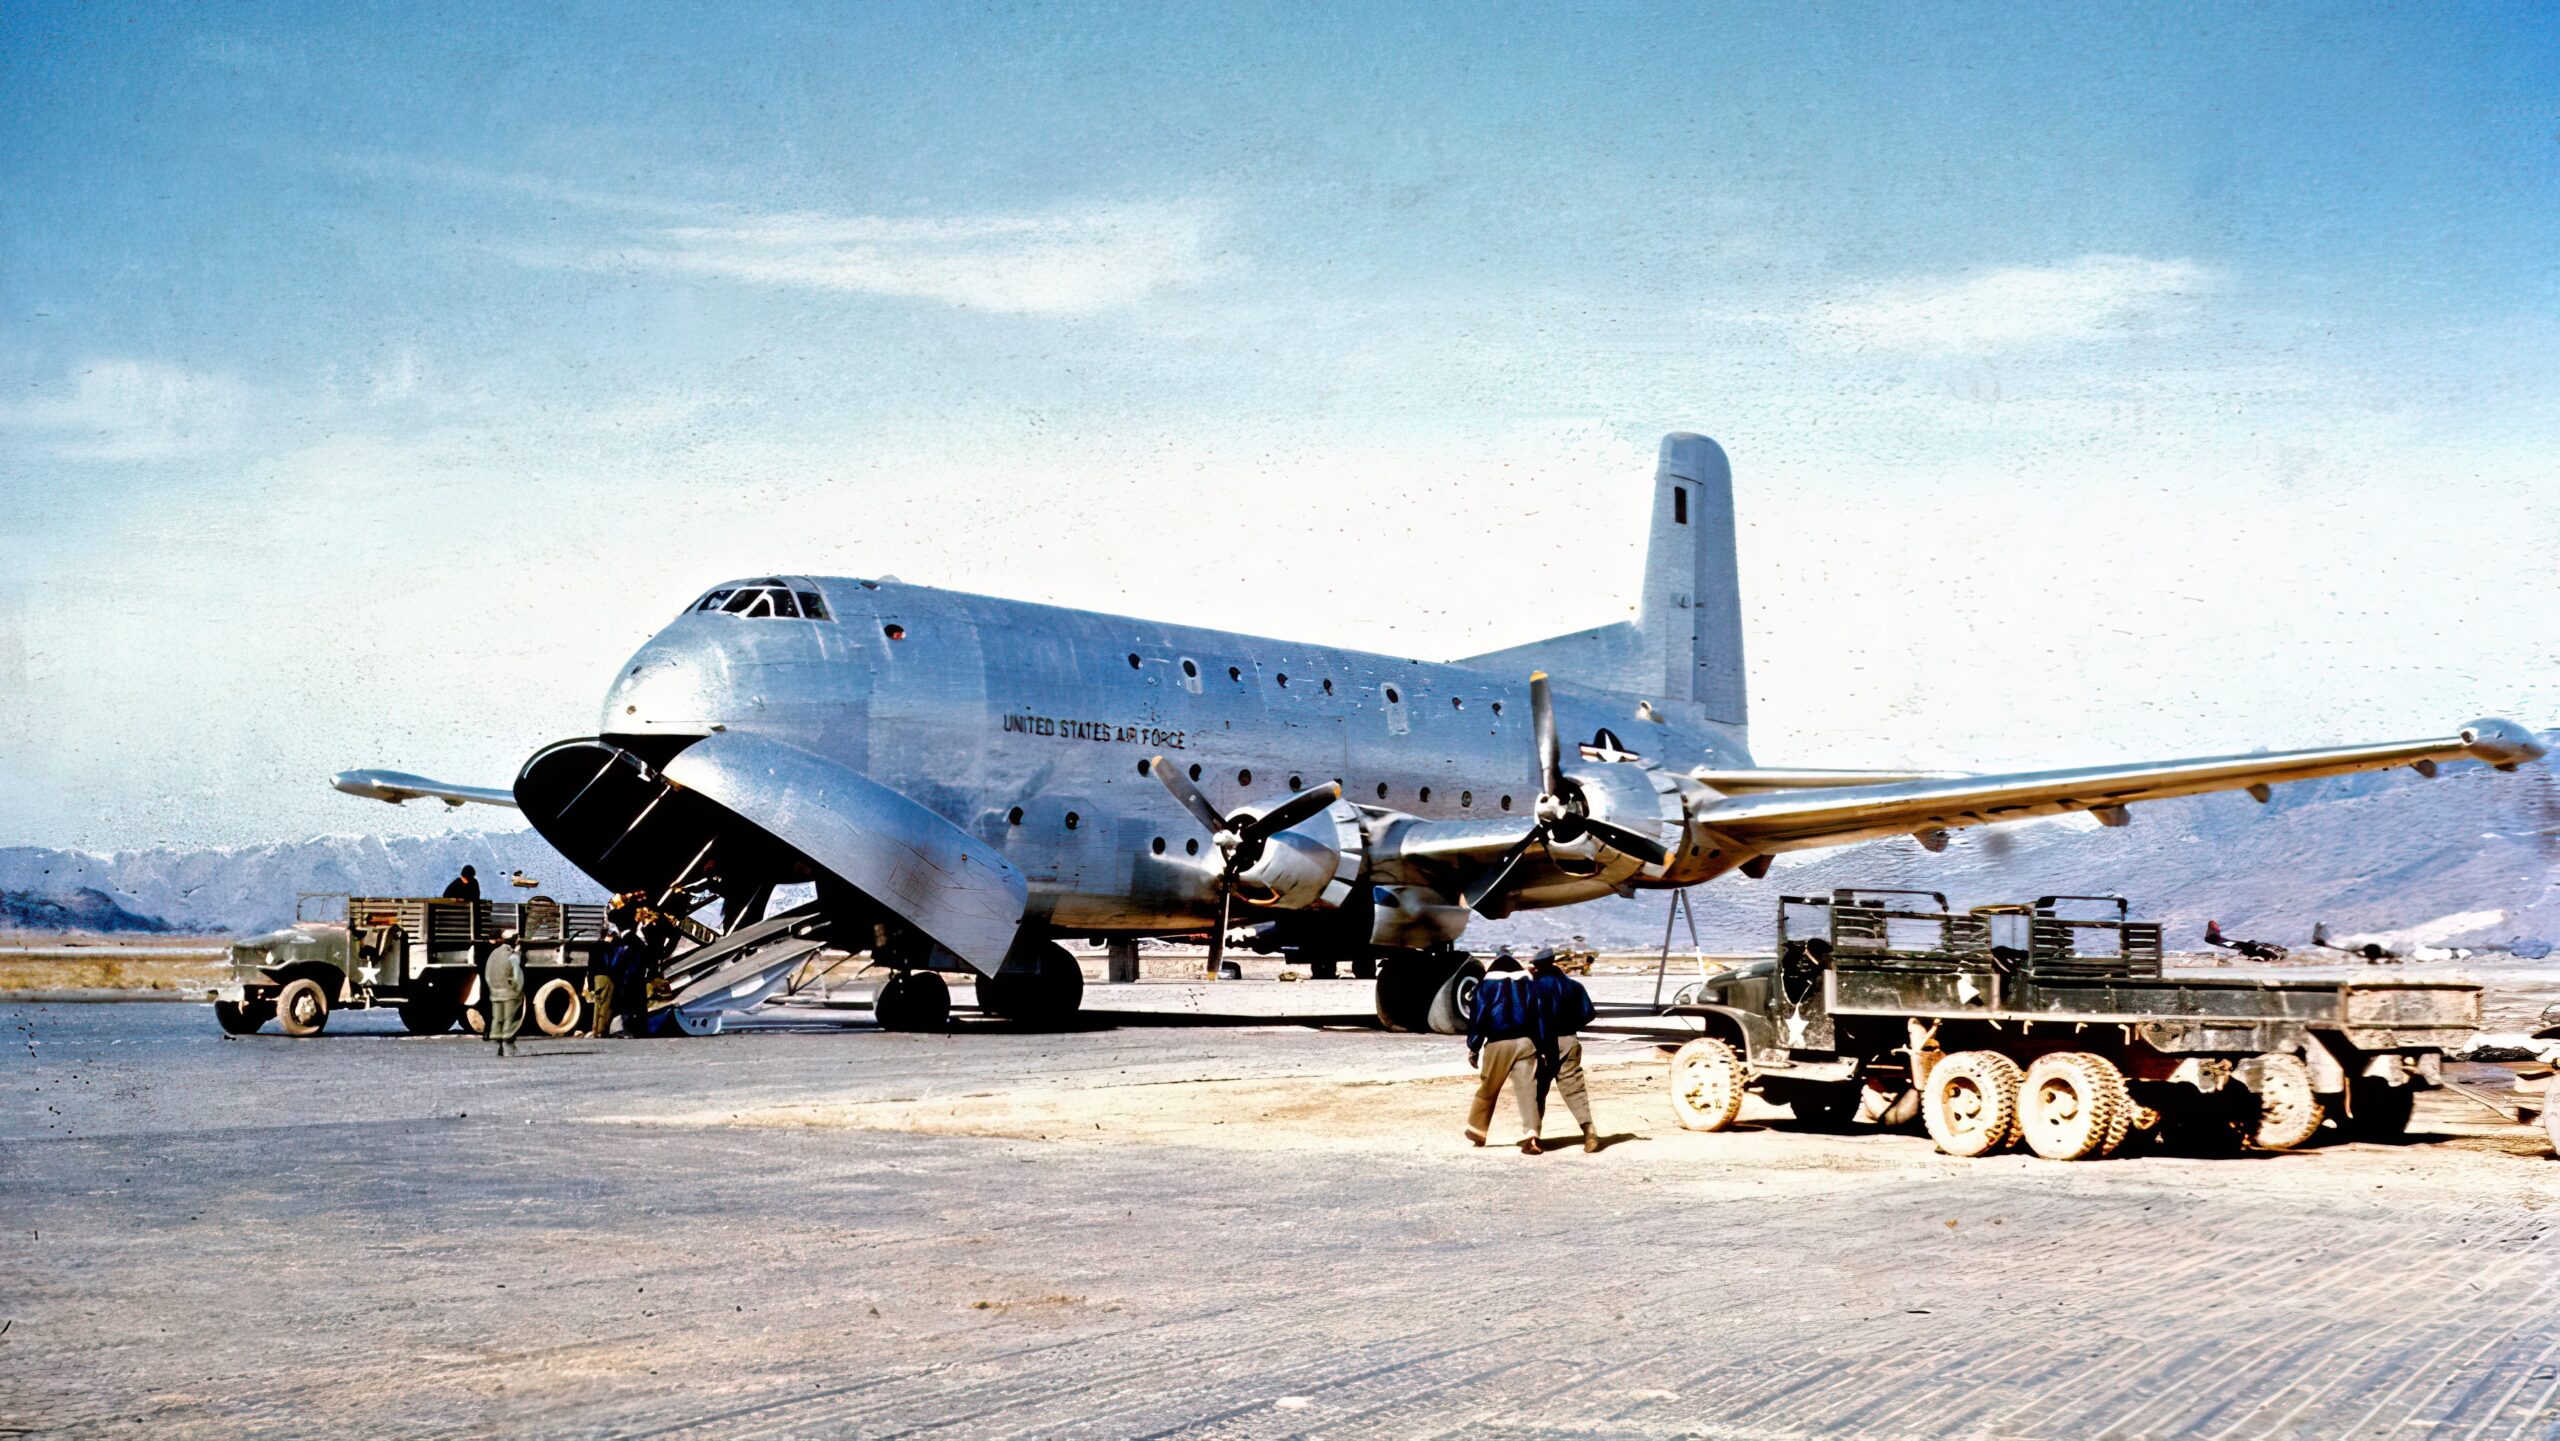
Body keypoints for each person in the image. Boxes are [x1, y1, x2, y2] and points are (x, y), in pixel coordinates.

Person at [1525, 946, 1601, 1152]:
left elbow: (1531, 1019)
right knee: (1574, 1088)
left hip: (1543, 1043)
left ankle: (1533, 1138)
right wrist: (1571, 1026)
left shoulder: (1535, 988)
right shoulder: (1574, 986)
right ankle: (1589, 1129)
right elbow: (1589, 1013)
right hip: (1570, 1040)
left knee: (1536, 1091)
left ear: (1537, 966)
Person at [1465, 960, 1547, 1152]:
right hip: (1526, 1043)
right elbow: (1539, 1017)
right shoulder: (1530, 986)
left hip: (1497, 1043)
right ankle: (1531, 1135)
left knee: (1488, 1088)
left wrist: (1474, 1047)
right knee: (1528, 1091)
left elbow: (1478, 1019)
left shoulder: (1485, 987)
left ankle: (1477, 1129)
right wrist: (1542, 1046)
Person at [483, 927, 525, 1057]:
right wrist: (518, 990)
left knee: (498, 1019)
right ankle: (508, 1047)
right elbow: (517, 976)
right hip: (509, 993)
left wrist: (492, 988)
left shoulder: (494, 953)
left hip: (495, 993)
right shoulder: (512, 955)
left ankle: (498, 1045)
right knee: (510, 1019)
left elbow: (488, 974)